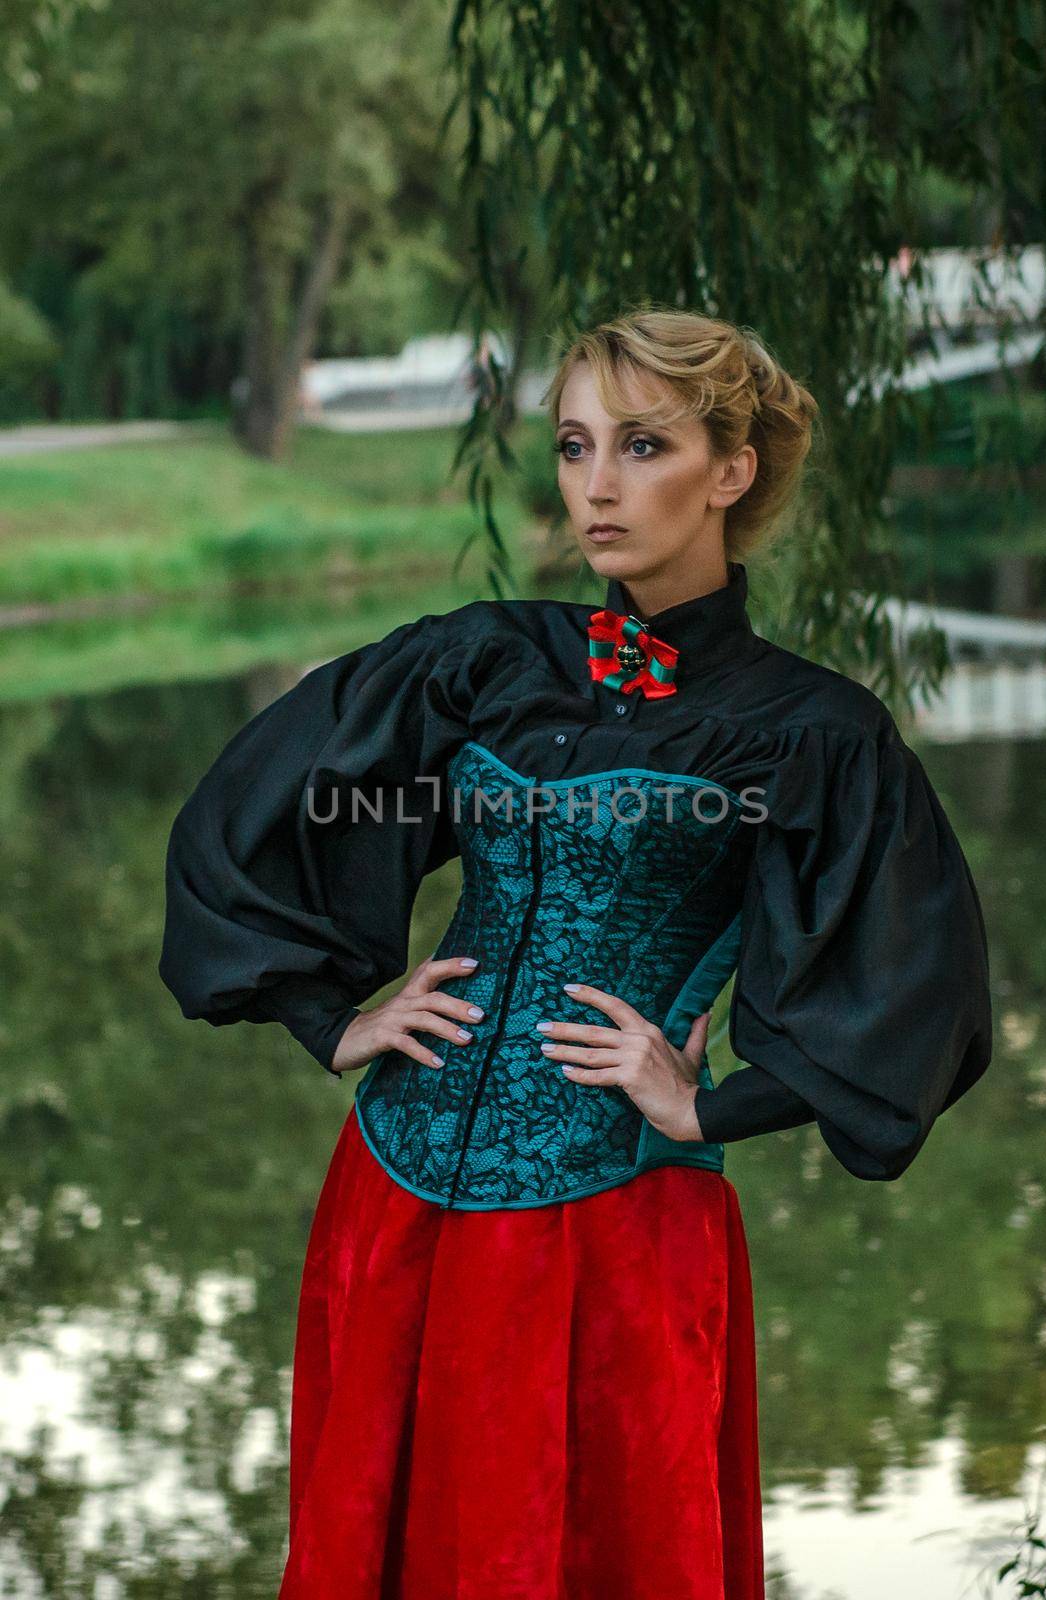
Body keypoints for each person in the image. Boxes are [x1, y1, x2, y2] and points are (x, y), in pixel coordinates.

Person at [158, 308, 993, 1600]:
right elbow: (260, 813)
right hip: (394, 1196)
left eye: (642, 446)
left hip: (611, 1232)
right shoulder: (491, 664)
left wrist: (711, 1103)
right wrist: (332, 1017)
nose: (596, 487)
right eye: (572, 446)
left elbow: (918, 1000)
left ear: (731, 471)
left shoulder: (806, 733)